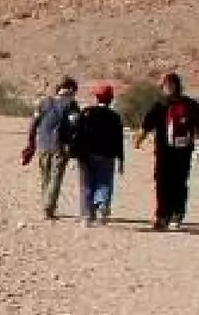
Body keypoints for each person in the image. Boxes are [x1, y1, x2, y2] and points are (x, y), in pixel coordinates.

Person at [133, 71, 199, 230]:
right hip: (184, 151)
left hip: (164, 151)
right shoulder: (191, 105)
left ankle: (163, 216)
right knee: (180, 182)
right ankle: (177, 215)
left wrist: (138, 141)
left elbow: (145, 126)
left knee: (163, 183)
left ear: (166, 87)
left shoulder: (160, 105)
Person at [21, 77, 81, 219]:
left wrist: (31, 143)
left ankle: (47, 205)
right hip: (61, 147)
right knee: (55, 178)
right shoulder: (72, 105)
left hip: (43, 145)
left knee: (45, 177)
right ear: (71, 89)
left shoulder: (43, 102)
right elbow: (75, 125)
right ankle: (48, 207)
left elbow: (33, 124)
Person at [69, 82, 126, 225]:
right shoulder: (114, 117)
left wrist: (74, 153)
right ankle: (102, 205)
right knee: (104, 182)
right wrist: (121, 159)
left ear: (96, 97)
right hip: (107, 155)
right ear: (110, 99)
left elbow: (78, 135)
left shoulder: (86, 113)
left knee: (86, 184)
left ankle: (87, 216)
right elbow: (118, 139)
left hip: (86, 155)